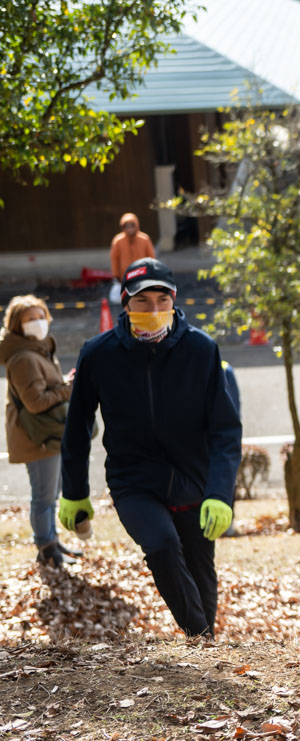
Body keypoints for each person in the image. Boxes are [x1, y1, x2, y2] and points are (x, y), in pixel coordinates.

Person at [58, 258, 241, 639]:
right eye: (143, 301)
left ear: (173, 301)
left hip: (193, 480)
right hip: (133, 481)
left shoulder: (201, 349)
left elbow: (225, 429)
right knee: (161, 545)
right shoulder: (98, 354)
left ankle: (204, 646)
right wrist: (74, 493)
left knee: (201, 573)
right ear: (126, 303)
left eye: (162, 300)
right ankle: (201, 636)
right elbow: (77, 428)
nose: (154, 310)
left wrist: (221, 493)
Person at [0, 296, 80, 568]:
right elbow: (36, 402)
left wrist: (64, 382)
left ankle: (52, 542)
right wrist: (68, 389)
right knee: (44, 497)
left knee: (50, 494)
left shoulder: (38, 350)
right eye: (30, 318)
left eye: (41, 315)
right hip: (37, 438)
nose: (38, 322)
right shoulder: (23, 357)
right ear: (17, 324)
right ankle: (46, 548)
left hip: (47, 435)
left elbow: (44, 389)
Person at [110, 213, 156, 281]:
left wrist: (152, 271)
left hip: (142, 274)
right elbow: (114, 259)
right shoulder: (118, 241)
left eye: (132, 226)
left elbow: (151, 257)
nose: (130, 229)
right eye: (127, 226)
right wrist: (116, 274)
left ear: (136, 225)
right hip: (125, 276)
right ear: (123, 227)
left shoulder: (144, 239)